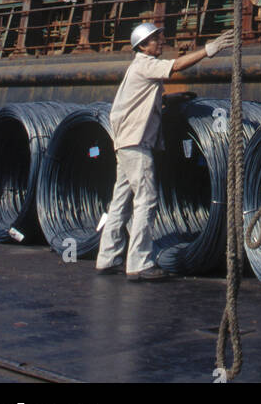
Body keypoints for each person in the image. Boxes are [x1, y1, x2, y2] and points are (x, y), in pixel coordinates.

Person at [95, 20, 232, 281]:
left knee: (121, 202)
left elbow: (142, 99)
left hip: (127, 143)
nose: (162, 42)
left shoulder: (138, 68)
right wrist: (209, 49)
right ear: (143, 46)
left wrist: (167, 100)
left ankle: (107, 258)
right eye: (157, 39)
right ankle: (138, 264)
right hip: (136, 144)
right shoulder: (146, 64)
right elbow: (177, 66)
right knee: (146, 200)